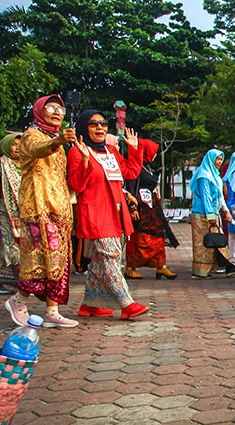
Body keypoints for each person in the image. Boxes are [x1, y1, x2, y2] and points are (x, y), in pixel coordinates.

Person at [67, 109, 149, 320]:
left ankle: (90, 304)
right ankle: (127, 303)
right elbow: (76, 185)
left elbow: (130, 172)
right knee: (110, 258)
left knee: (99, 261)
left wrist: (134, 149)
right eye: (93, 124)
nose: (100, 128)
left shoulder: (111, 151)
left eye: (103, 124)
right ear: (84, 127)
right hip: (96, 214)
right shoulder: (77, 152)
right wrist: (85, 161)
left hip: (117, 214)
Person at [6, 95, 78, 327]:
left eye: (60, 109)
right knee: (38, 257)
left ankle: (52, 311)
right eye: (51, 108)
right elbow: (38, 150)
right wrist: (57, 141)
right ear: (39, 110)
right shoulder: (31, 135)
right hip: (38, 207)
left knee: (58, 260)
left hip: (59, 208)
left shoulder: (57, 141)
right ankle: (18, 301)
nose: (57, 112)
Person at [124, 138, 179, 280]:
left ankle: (161, 265)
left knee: (158, 235)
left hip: (151, 207)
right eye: (153, 152)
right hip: (140, 207)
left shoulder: (147, 166)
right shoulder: (136, 165)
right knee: (140, 237)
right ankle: (131, 267)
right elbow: (130, 186)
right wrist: (132, 207)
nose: (155, 155)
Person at [189, 148, 235, 279]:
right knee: (203, 244)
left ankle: (226, 266)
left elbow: (219, 197)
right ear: (210, 159)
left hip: (213, 214)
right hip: (202, 215)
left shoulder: (215, 176)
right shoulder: (204, 176)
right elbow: (206, 197)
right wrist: (210, 216)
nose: (219, 162)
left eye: (221, 159)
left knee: (215, 240)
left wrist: (225, 211)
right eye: (217, 159)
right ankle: (200, 271)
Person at [0, 133, 23, 294]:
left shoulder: (27, 165)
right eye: (14, 144)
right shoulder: (0, 165)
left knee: (22, 246)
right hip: (5, 213)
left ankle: (15, 279)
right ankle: (1, 279)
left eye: (20, 144)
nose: (17, 148)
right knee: (7, 244)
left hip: (25, 214)